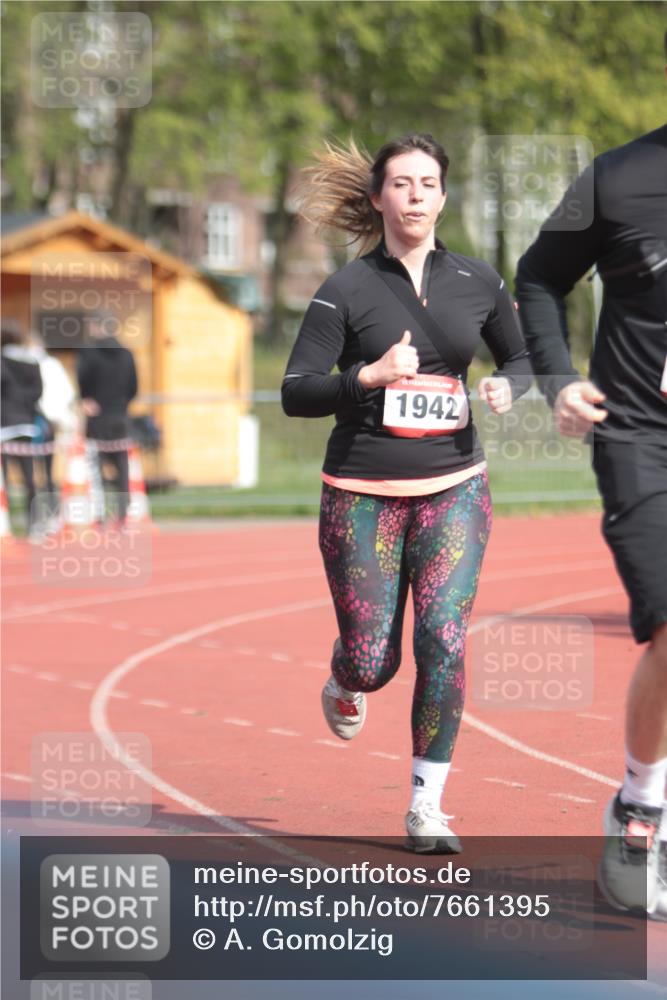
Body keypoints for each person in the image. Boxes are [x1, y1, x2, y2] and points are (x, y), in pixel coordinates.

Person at [282, 133, 532, 852]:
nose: (416, 195)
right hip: (360, 492)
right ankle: (345, 676)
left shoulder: (477, 282)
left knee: (444, 638)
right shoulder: (345, 289)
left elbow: (518, 358)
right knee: (373, 659)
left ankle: (427, 806)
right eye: (401, 183)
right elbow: (297, 392)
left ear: (443, 197)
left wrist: (504, 386)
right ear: (377, 198)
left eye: (428, 183)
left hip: (453, 485)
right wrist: (366, 376)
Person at [515, 45, 666, 915]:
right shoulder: (613, 179)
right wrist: (555, 380)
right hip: (640, 436)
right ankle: (639, 805)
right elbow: (536, 278)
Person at [76, 311, 138, 525]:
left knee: (96, 465)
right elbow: (133, 387)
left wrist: (86, 399)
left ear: (97, 326)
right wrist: (121, 405)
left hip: (97, 416)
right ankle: (123, 512)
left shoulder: (88, 352)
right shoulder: (127, 353)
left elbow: (83, 381)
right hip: (120, 415)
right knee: (122, 465)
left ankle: (100, 513)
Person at [28, 331, 78, 524]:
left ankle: (50, 512)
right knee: (35, 472)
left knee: (46, 472)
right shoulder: (41, 365)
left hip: (45, 422)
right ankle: (39, 514)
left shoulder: (50, 365)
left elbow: (63, 393)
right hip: (36, 421)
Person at [1, 320, 43, 534]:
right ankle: (34, 523)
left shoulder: (1, 361)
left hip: (4, 424)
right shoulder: (32, 361)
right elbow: (38, 392)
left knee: (4, 477)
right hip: (26, 422)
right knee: (29, 477)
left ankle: (5, 522)